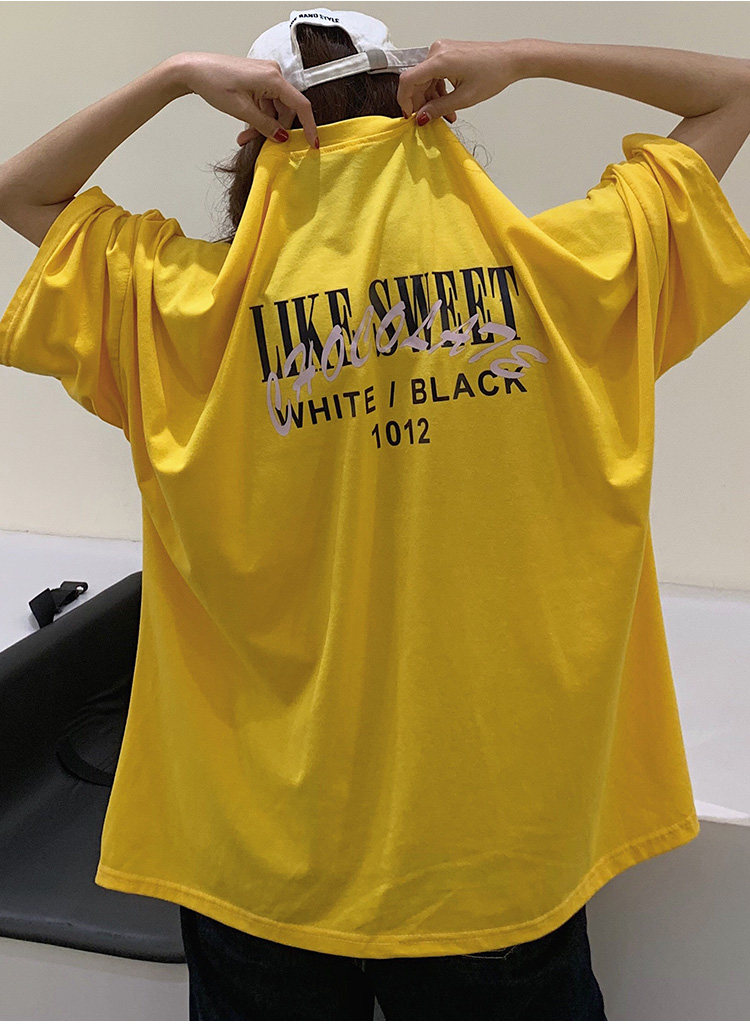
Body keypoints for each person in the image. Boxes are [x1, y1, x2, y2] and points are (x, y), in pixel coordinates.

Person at [1, 6, 750, 1021]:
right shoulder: (562, 280)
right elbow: (735, 91)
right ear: (420, 111)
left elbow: (20, 191)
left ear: (251, 139)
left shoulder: (183, 312)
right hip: (490, 858)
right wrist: (525, 58)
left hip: (263, 855)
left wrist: (172, 75)